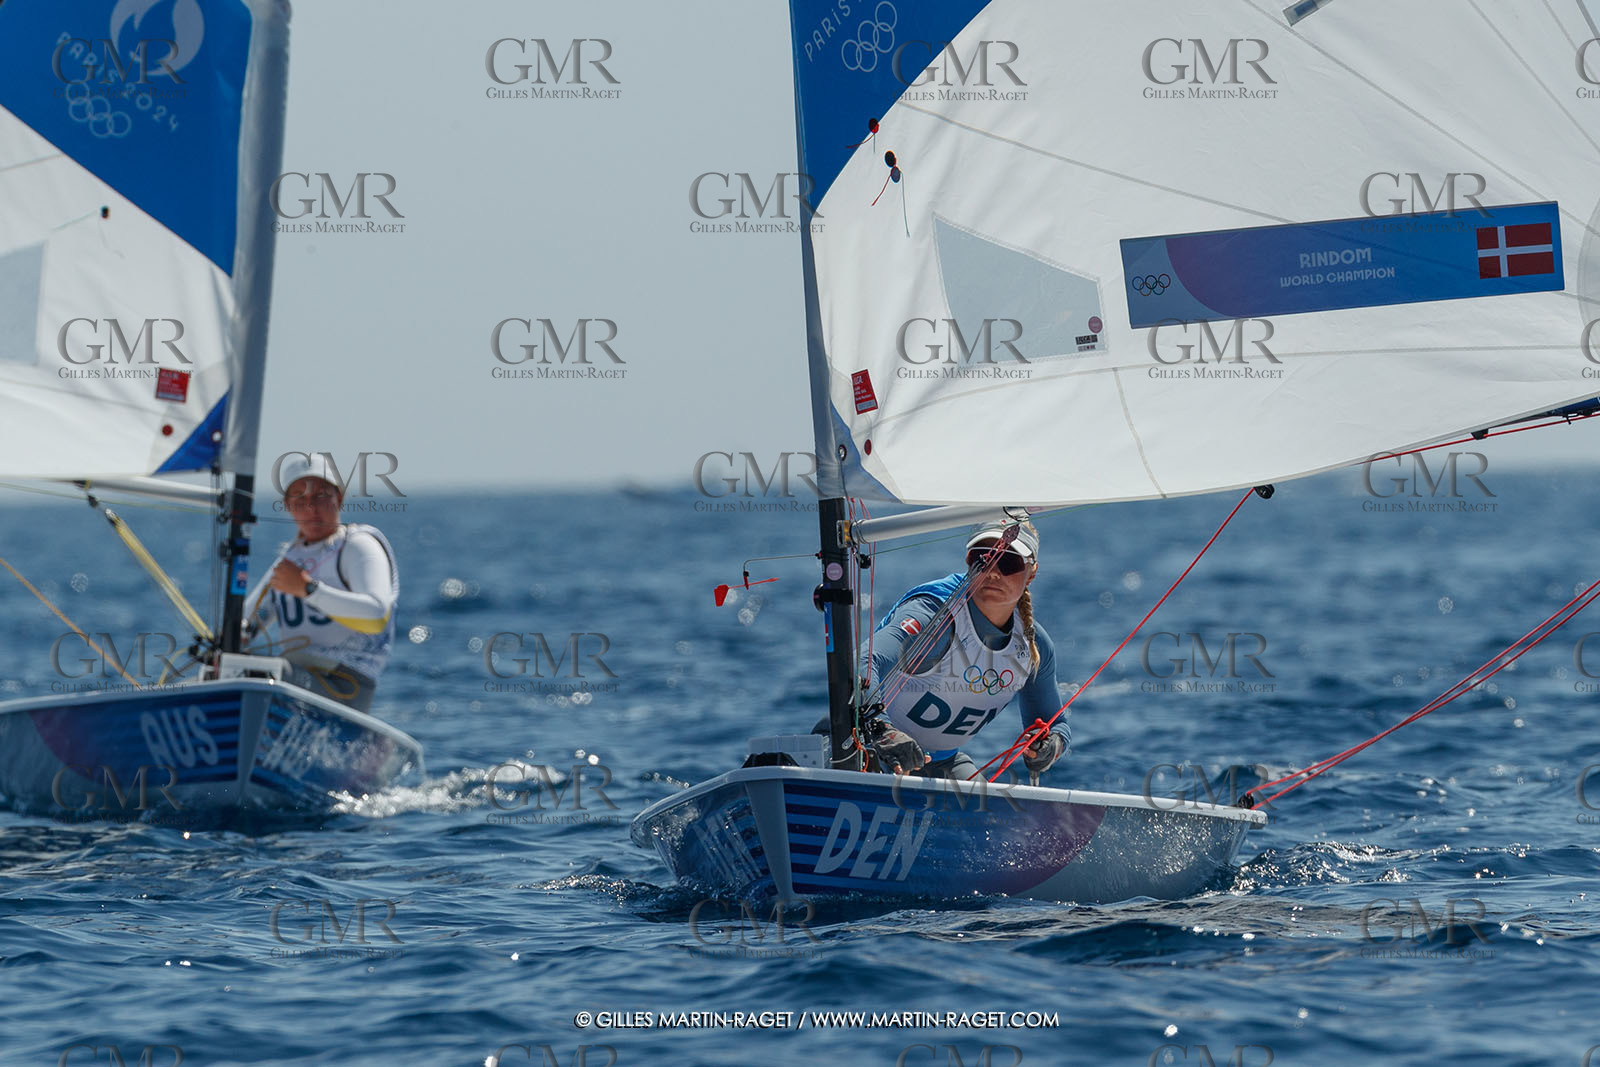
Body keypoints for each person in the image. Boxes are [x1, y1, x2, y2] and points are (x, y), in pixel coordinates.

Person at [860, 520, 1068, 781]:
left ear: (1032, 571)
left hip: (942, 763)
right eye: (982, 559)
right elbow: (866, 659)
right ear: (968, 561)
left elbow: (1056, 725)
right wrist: (882, 730)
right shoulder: (933, 616)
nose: (992, 572)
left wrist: (1049, 747)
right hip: (865, 751)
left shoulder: (1033, 646)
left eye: (1008, 562)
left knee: (996, 817)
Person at [244, 453, 398, 713]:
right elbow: (249, 622)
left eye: (320, 497)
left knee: (257, 678)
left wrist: (308, 590)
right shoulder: (289, 559)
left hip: (345, 684)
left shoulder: (358, 546)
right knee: (221, 674)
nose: (311, 508)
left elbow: (376, 615)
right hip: (293, 678)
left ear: (339, 498)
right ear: (288, 506)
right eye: (300, 499)